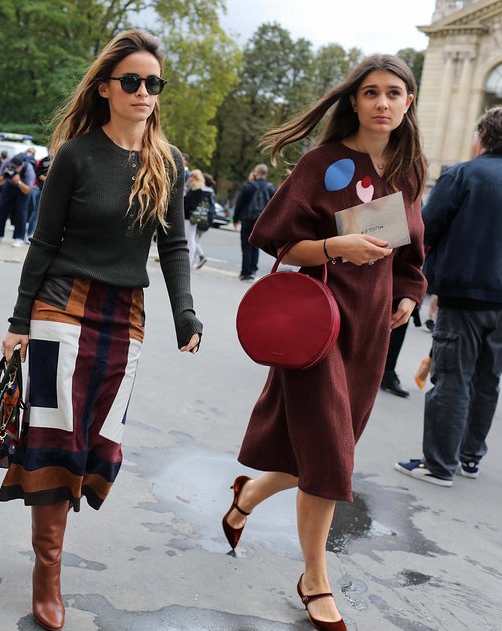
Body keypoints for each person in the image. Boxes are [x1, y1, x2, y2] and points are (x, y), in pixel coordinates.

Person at [0, 29, 202, 631]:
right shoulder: (77, 156)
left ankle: (52, 543)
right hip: (63, 305)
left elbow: (173, 247)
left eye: (152, 83)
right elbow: (44, 242)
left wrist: (186, 312)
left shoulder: (169, 164)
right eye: (132, 82)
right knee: (57, 436)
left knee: (93, 438)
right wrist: (18, 321)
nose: (143, 92)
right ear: (107, 89)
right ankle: (48, 573)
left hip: (125, 317)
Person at [222, 54, 426, 631]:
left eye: (393, 93)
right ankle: (315, 579)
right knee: (333, 456)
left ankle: (246, 498)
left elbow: (413, 255)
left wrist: (408, 295)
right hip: (319, 328)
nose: (382, 103)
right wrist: (339, 247)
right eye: (370, 93)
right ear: (354, 102)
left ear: (409, 102)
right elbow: (280, 245)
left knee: (318, 453)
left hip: (370, 337)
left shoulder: (409, 174)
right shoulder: (324, 164)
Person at [395, 106, 502, 487]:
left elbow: (426, 229)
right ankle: (470, 457)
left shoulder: (463, 174)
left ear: (483, 136)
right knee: (489, 379)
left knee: (454, 377)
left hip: (465, 293)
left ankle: (440, 464)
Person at [233, 163, 275, 280]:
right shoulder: (271, 188)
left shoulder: (248, 186)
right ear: (265, 174)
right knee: (256, 246)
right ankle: (253, 271)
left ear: (256, 173)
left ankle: (245, 272)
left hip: (247, 219)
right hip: (261, 221)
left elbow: (239, 204)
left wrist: (235, 219)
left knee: (246, 246)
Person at [0, 154, 34, 247]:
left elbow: (28, 190)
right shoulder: (7, 164)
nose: (13, 169)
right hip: (9, 187)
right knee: (2, 210)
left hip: (22, 190)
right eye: (12, 167)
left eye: (15, 168)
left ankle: (19, 238)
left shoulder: (28, 169)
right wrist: (5, 176)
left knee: (21, 212)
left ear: (20, 166)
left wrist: (19, 181)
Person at [183, 169, 206, 267]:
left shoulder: (198, 189)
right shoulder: (192, 188)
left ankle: (190, 260)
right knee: (189, 238)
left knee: (190, 238)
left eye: (191, 176)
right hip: (188, 216)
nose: (189, 178)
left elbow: (192, 204)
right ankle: (189, 259)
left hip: (190, 217)